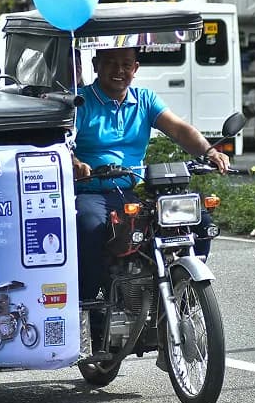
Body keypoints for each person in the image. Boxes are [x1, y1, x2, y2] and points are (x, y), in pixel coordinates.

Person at [72, 47, 230, 301]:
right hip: (91, 193)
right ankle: (87, 303)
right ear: (96, 64)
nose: (119, 70)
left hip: (131, 192)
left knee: (200, 221)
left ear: (135, 68)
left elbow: (179, 130)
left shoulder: (144, 99)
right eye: (111, 63)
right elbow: (62, 143)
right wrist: (75, 162)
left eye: (126, 65)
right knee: (90, 226)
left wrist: (210, 152)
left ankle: (186, 291)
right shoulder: (80, 101)